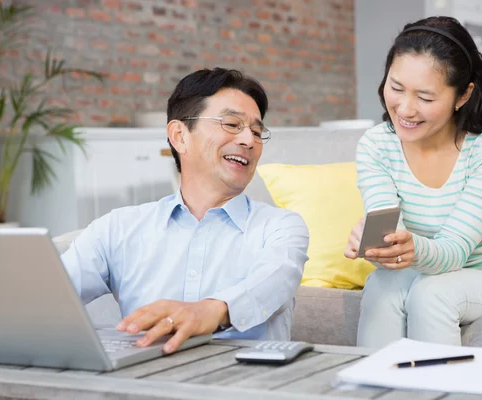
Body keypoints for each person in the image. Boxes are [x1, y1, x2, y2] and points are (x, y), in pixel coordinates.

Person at [344, 16, 482, 348]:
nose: (404, 108)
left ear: (463, 95)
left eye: (426, 98)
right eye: (396, 87)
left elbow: (454, 251)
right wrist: (377, 247)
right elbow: (390, 235)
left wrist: (409, 249)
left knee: (434, 293)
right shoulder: (377, 144)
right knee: (382, 284)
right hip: (437, 272)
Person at [62, 67, 309, 353]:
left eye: (256, 131)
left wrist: (209, 312)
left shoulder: (280, 227)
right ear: (179, 135)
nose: (248, 140)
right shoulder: (118, 228)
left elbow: (274, 281)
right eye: (232, 124)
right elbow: (47, 296)